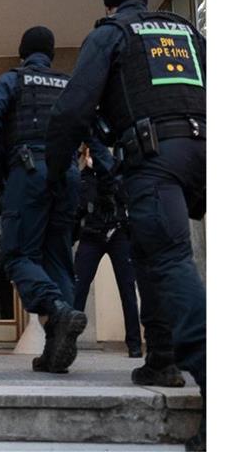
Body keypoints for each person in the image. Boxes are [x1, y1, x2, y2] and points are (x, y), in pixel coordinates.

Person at [44, 0, 206, 450]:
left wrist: (55, 173)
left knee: (170, 260)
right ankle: (160, 358)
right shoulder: (189, 34)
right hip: (209, 146)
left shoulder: (112, 33)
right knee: (154, 254)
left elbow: (73, 109)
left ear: (110, 3)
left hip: (156, 159)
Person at [0, 26, 114, 374]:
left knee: (18, 254)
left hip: (28, 171)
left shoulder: (12, 80)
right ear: (51, 54)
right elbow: (94, 134)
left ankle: (54, 306)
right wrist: (108, 176)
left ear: (23, 53)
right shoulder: (70, 84)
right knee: (57, 258)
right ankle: (55, 349)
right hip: (67, 175)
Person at [73, 144, 142, 358]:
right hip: (91, 235)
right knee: (78, 288)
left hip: (118, 233)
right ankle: (66, 341)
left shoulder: (118, 175)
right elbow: (78, 207)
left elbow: (126, 198)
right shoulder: (82, 177)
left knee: (127, 289)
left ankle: (134, 343)